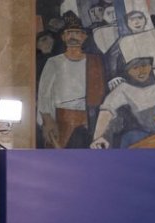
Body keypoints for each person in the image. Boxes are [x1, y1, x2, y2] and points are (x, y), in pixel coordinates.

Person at [37, 14, 106, 149]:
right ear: (63, 37)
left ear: (84, 37)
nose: (73, 37)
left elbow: (102, 92)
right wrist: (47, 120)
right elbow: (44, 94)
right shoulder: (54, 62)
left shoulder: (95, 61)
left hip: (90, 118)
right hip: (62, 118)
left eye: (77, 33)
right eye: (69, 33)